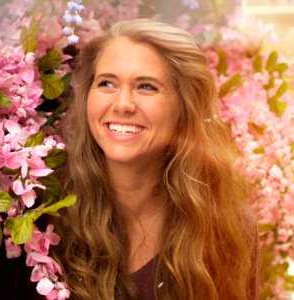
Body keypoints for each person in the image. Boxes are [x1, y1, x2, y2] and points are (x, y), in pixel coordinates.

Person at [53, 18, 259, 300]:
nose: (123, 104)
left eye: (146, 87)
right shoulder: (46, 218)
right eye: (107, 83)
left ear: (184, 107)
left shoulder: (227, 226)